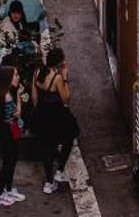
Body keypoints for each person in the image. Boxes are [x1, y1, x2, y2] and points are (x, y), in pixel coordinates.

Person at [32, 48, 79, 194]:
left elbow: (34, 98)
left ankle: (49, 181)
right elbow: (66, 99)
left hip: (42, 115)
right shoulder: (57, 78)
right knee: (70, 136)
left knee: (47, 148)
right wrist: (65, 77)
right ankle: (59, 170)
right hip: (57, 116)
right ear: (58, 63)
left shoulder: (37, 73)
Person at [0, 63, 26, 206]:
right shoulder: (6, 96)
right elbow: (17, 113)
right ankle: (0, 192)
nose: (18, 77)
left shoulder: (7, 93)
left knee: (13, 159)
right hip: (9, 131)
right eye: (16, 75)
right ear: (9, 78)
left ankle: (8, 188)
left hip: (12, 129)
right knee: (9, 161)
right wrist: (20, 98)